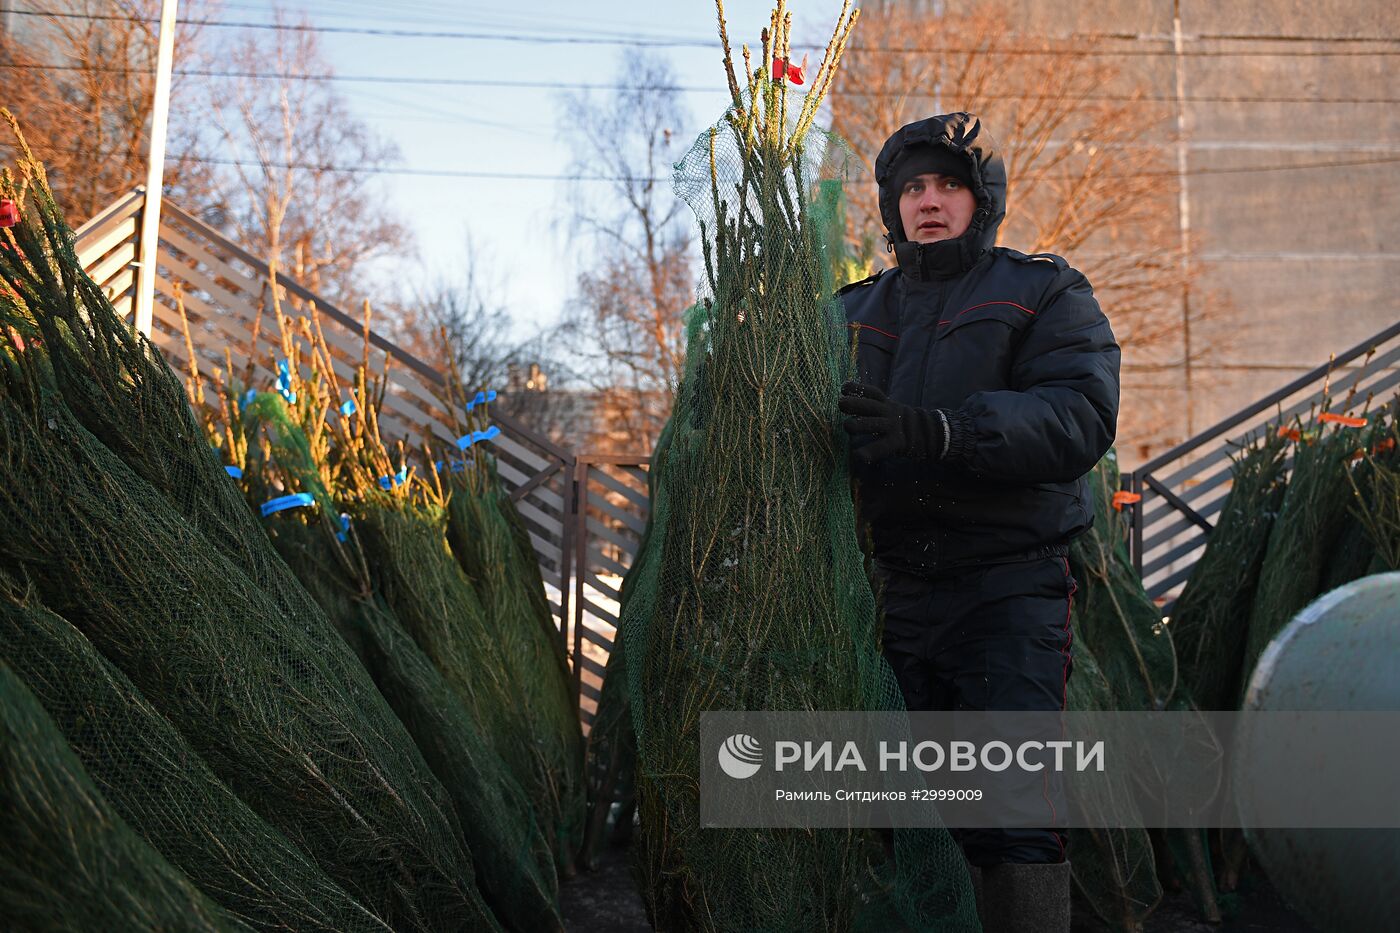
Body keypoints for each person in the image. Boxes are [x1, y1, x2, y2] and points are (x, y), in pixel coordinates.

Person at [838, 112, 1120, 932]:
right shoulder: (852, 311)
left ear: (980, 199)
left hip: (1008, 590)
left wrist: (946, 429)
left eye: (949, 185)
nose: (929, 201)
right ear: (892, 207)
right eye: (913, 187)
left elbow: (1080, 415)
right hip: (886, 595)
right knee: (903, 814)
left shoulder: (1042, 291)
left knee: (1013, 812)